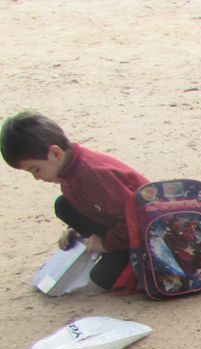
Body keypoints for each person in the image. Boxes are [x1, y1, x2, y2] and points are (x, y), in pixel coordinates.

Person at [1, 111, 149, 290]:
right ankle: (117, 253)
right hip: (121, 227)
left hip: (147, 236)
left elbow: (136, 218)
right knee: (63, 205)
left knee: (104, 278)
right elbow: (92, 207)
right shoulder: (68, 171)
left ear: (55, 153)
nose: (37, 178)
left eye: (36, 169)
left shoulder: (92, 175)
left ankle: (132, 263)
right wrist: (76, 232)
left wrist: (106, 244)